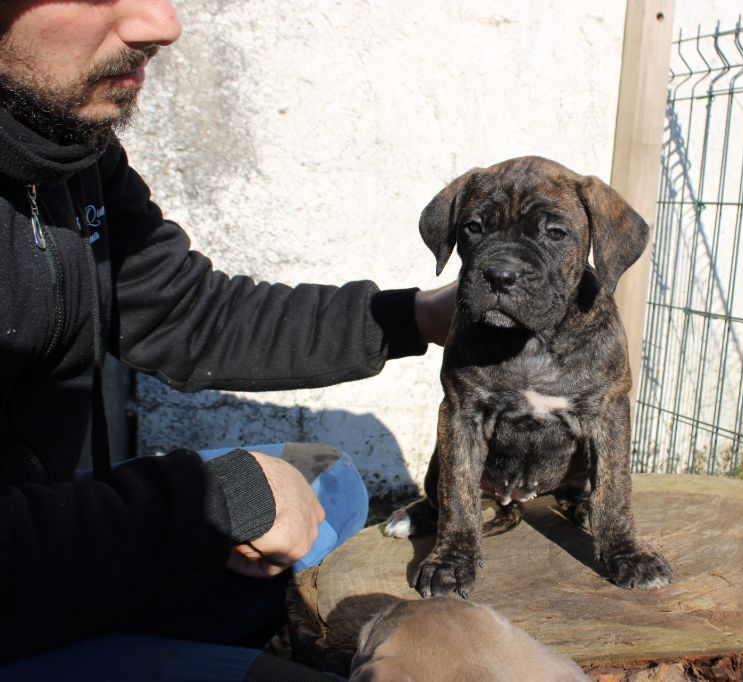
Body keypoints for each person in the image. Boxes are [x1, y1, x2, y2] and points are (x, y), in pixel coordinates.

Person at [0, 0, 455, 678]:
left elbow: (187, 311)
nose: (161, 23)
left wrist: (416, 315)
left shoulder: (66, 145)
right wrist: (209, 503)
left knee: (326, 484)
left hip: (43, 523)